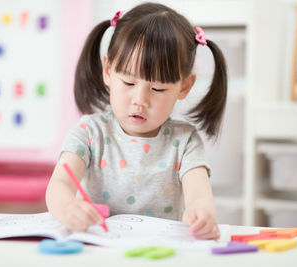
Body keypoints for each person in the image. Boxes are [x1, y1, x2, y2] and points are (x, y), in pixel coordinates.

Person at [46, 2, 227, 240]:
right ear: (108, 71)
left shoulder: (184, 141)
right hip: (99, 246)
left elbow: (199, 196)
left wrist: (202, 215)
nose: (140, 100)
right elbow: (59, 185)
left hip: (158, 250)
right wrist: (68, 209)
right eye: (129, 83)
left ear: (184, 87)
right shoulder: (88, 132)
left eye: (158, 89)